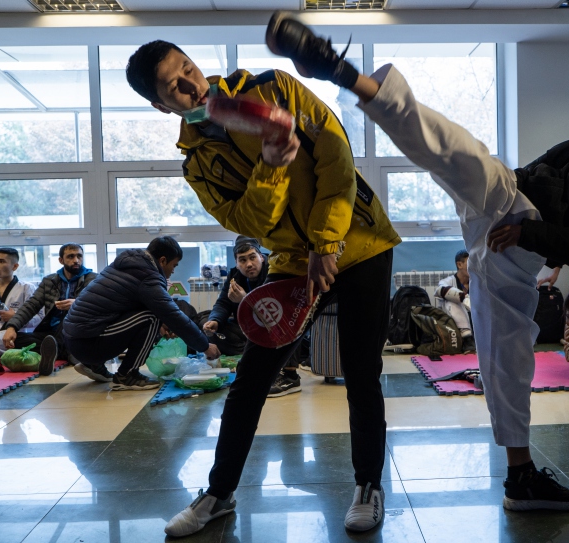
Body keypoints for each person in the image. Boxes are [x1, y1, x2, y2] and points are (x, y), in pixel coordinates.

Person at [265, 10, 569, 511]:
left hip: (520, 247)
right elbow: (552, 159)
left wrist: (532, 232)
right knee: (455, 149)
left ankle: (520, 478)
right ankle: (339, 69)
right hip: (507, 195)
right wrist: (518, 195)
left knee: (506, 356)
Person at [125, 39, 400, 536]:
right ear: (160, 105)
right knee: (251, 378)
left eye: (188, 68)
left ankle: (368, 485)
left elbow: (336, 155)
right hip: (294, 261)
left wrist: (327, 241)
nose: (192, 84)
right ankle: (219, 494)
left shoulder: (271, 87)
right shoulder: (197, 164)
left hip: (360, 240)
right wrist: (271, 165)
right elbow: (249, 219)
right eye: (174, 86)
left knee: (361, 371)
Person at [63, 236, 221, 391]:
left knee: (154, 315)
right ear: (163, 260)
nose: (173, 270)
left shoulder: (128, 265)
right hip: (87, 343)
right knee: (152, 317)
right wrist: (205, 346)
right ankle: (126, 376)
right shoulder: (148, 276)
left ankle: (93, 365)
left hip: (75, 340)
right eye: (174, 265)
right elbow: (174, 316)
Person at [203, 236, 303, 397]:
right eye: (242, 260)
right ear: (236, 263)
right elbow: (223, 303)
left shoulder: (274, 270)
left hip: (274, 328)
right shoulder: (234, 276)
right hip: (248, 331)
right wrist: (214, 320)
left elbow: (276, 310)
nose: (248, 264)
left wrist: (245, 299)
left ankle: (290, 377)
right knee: (207, 323)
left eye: (252, 257)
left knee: (292, 322)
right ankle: (253, 355)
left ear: (261, 257)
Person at [1, 244, 98, 379]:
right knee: (16, 339)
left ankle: (56, 351)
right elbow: (31, 305)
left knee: (68, 317)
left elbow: (100, 304)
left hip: (79, 330)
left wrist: (77, 304)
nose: (76, 260)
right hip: (52, 332)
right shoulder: (50, 281)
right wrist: (12, 326)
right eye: (71, 256)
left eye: (79, 256)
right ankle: (65, 352)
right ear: (61, 260)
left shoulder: (93, 279)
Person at [434, 249, 475, 352]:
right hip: (452, 320)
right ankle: (467, 339)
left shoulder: (476, 282)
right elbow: (439, 290)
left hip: (473, 318)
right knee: (452, 301)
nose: (474, 266)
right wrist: (462, 297)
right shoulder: (448, 281)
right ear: (459, 265)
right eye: (470, 263)